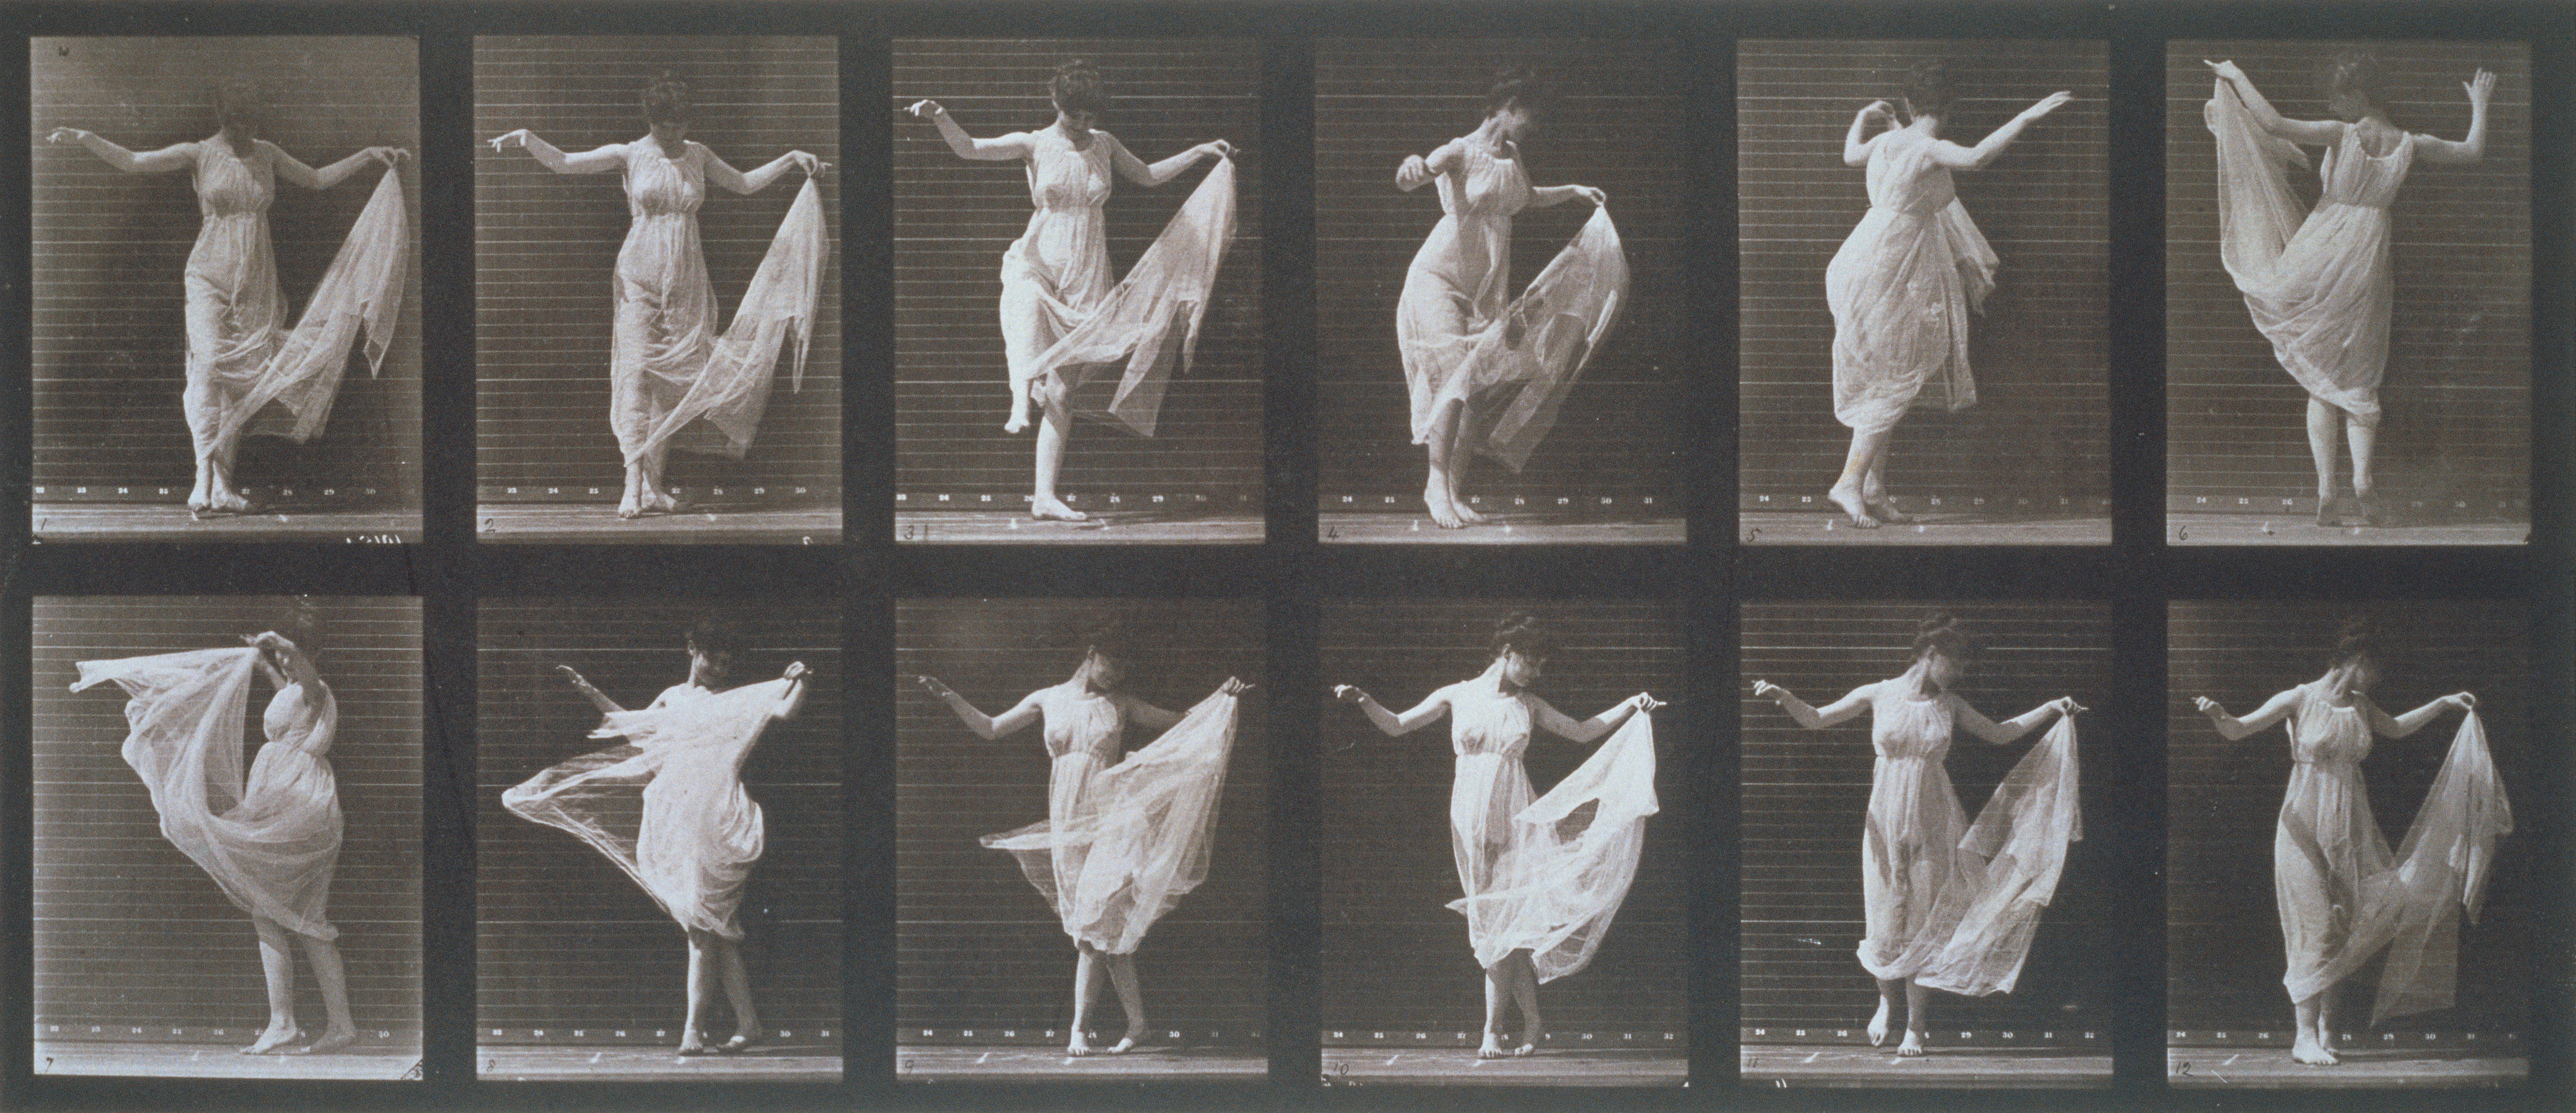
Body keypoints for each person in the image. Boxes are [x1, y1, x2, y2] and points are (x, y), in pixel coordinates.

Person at [49, 80, 408, 517]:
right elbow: (134, 161)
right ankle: (202, 474)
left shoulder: (267, 153)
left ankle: (223, 486)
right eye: (239, 124)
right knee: (209, 363)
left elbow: (315, 179)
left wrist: (368, 155)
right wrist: (86, 138)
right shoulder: (198, 152)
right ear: (224, 119)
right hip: (208, 274)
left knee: (242, 379)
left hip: (257, 281)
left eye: (253, 123)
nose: (247, 133)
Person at [904, 60, 1238, 523]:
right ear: (1056, 104)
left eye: (1090, 116)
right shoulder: (1034, 143)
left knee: (1062, 393)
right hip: (1040, 255)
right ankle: (1020, 393)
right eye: (1074, 115)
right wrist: (940, 115)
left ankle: (1044, 495)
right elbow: (971, 149)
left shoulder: (1104, 145)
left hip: (1087, 269)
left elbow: (1146, 175)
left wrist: (1199, 151)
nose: (1083, 125)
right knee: (1021, 302)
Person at [489, 73, 829, 520]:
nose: (673, 133)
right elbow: (567, 162)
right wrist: (528, 138)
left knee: (669, 384)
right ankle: (631, 484)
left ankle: (653, 486)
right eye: (664, 124)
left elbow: (744, 183)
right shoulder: (630, 154)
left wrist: (790, 159)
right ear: (651, 121)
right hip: (638, 277)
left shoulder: (698, 155)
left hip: (687, 282)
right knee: (634, 374)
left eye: (680, 124)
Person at [1752, 612, 2085, 1056]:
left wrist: (2050, 707)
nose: (1961, 672)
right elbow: (1815, 718)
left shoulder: (1950, 704)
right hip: (1885, 817)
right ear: (1932, 654)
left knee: (1924, 916)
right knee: (1884, 914)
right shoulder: (1878, 692)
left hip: (1934, 816)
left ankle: (1916, 1025)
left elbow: (2000, 733)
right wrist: (1784, 696)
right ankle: (1886, 1002)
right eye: (1958, 662)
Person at [1332, 612, 1662, 1058]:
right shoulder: (1457, 693)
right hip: (1468, 814)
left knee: (1496, 926)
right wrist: (1364, 700)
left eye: (1541, 665)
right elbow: (1397, 724)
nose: (1535, 671)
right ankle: (1532, 1021)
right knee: (1500, 928)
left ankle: (1492, 1029)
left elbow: (1583, 732)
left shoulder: (1529, 704)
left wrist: (1629, 704)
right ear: (1506, 652)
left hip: (1511, 815)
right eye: (1530, 661)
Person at [915, 619, 1248, 1055]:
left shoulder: (1122, 703)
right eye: (1111, 663)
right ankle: (1139, 1024)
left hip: (1112, 820)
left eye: (1123, 669)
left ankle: (1078, 1028)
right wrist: (951, 696)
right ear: (1091, 653)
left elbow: (1182, 722)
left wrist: (1221, 700)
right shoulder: (1047, 698)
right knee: (1102, 933)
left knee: (1095, 924)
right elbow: (991, 728)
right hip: (1068, 822)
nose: (1114, 675)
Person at [2202, 54, 2494, 526]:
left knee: (2320, 370)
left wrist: (2236, 76)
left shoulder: (2343, 133)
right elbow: (2471, 151)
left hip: (2324, 248)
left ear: (2357, 95)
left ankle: (2326, 491)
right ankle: (2361, 479)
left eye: (2337, 97)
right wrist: (2479, 104)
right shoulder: (2408, 143)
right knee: (2359, 374)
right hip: (2369, 257)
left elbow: (2273, 123)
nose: (2332, 104)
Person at [508, 620, 812, 1055]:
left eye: (727, 662)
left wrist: (802, 681)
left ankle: (693, 1030)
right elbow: (634, 729)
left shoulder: (727, 703)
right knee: (713, 928)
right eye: (713, 658)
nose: (719, 668)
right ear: (693, 650)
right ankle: (749, 1023)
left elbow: (783, 711)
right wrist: (587, 689)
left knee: (701, 930)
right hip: (674, 815)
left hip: (714, 817)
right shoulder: (673, 697)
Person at [2192, 618, 2486, 1065]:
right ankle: (2302, 1036)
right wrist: (2218, 714)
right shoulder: (2299, 697)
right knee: (2315, 926)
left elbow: (2399, 727)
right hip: (2301, 827)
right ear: (2358, 660)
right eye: (2376, 669)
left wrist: (2443, 703)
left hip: (2350, 828)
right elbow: (2237, 728)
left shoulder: (2362, 705)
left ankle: (2328, 1027)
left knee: (2346, 925)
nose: (2378, 679)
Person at [72, 603, 357, 1054]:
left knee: (294, 915)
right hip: (280, 797)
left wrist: (284, 645)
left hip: (300, 803)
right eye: (285, 654)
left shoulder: (316, 687)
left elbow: (304, 680)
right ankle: (304, 1022)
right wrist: (264, 659)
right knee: (275, 911)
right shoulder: (291, 688)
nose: (286, 660)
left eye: (293, 652)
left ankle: (307, 1022)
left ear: (309, 651)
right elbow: (285, 684)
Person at [1822, 62, 2070, 528]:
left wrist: (1861, 115)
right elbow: (1977, 158)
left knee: (1889, 372)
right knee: (1893, 372)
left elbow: (1850, 156)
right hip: (1893, 264)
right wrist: (2027, 117)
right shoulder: (1930, 147)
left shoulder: (1886, 141)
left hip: (1865, 254)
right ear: (1949, 108)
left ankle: (1872, 487)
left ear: (1909, 105)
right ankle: (1849, 482)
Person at [1393, 68, 1624, 529]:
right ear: (1509, 108)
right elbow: (1414, 176)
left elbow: (1526, 197)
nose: (1534, 128)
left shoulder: (1514, 155)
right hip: (1439, 276)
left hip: (1484, 290)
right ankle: (1434, 483)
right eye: (1530, 117)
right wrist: (1411, 166)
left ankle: (1453, 491)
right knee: (1451, 383)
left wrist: (1575, 191)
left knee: (1475, 390)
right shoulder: (1458, 149)